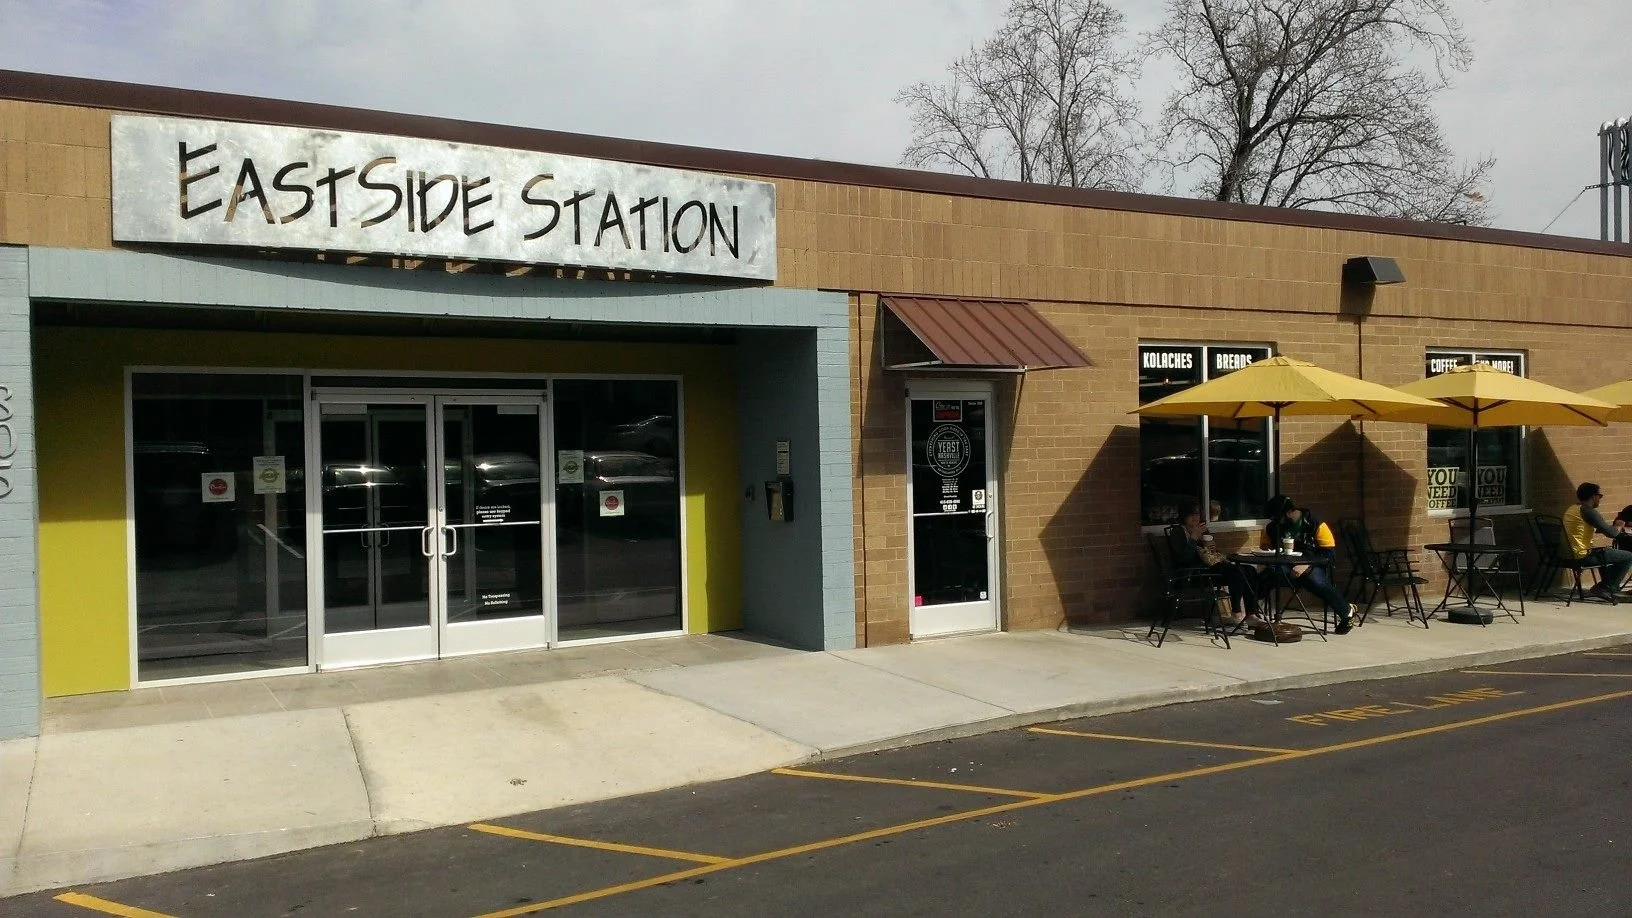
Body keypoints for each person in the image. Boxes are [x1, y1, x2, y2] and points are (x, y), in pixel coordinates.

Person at [1261, 494, 1360, 634]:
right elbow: (1266, 547)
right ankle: (1254, 615)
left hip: (1313, 566)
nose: (1276, 522)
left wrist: (1306, 564)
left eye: (1278, 518)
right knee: (1265, 576)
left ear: (1289, 512)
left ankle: (1346, 612)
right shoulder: (1272, 528)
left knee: (1313, 579)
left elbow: (1329, 555)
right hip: (1285, 566)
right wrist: (1266, 549)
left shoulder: (1315, 523)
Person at [1174, 506, 1260, 625]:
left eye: (1197, 514)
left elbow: (1211, 555)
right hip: (1193, 573)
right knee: (1236, 572)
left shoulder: (1203, 530)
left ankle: (1251, 613)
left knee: (1249, 570)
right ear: (1184, 516)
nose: (1195, 517)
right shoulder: (1178, 532)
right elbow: (1183, 558)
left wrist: (1212, 548)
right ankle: (1236, 613)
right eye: (1191, 515)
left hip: (1211, 568)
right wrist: (1194, 537)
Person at [1562, 483, 1632, 599]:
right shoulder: (1588, 511)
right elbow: (1612, 533)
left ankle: (1606, 585)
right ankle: (1606, 587)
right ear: (1593, 496)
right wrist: (1619, 525)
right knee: (1628, 556)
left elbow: (1592, 528)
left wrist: (1606, 528)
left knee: (1607, 553)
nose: (1600, 499)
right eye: (1600, 496)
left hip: (1567, 555)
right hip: (1582, 556)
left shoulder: (1573, 508)